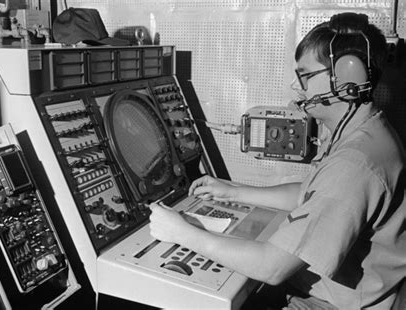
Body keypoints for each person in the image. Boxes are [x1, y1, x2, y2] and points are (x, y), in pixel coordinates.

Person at [149, 12, 406, 309]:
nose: (298, 87)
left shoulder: (355, 164)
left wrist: (181, 233)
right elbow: (307, 194)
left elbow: (272, 268)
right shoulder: (361, 129)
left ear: (347, 79)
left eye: (306, 75)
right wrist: (232, 191)